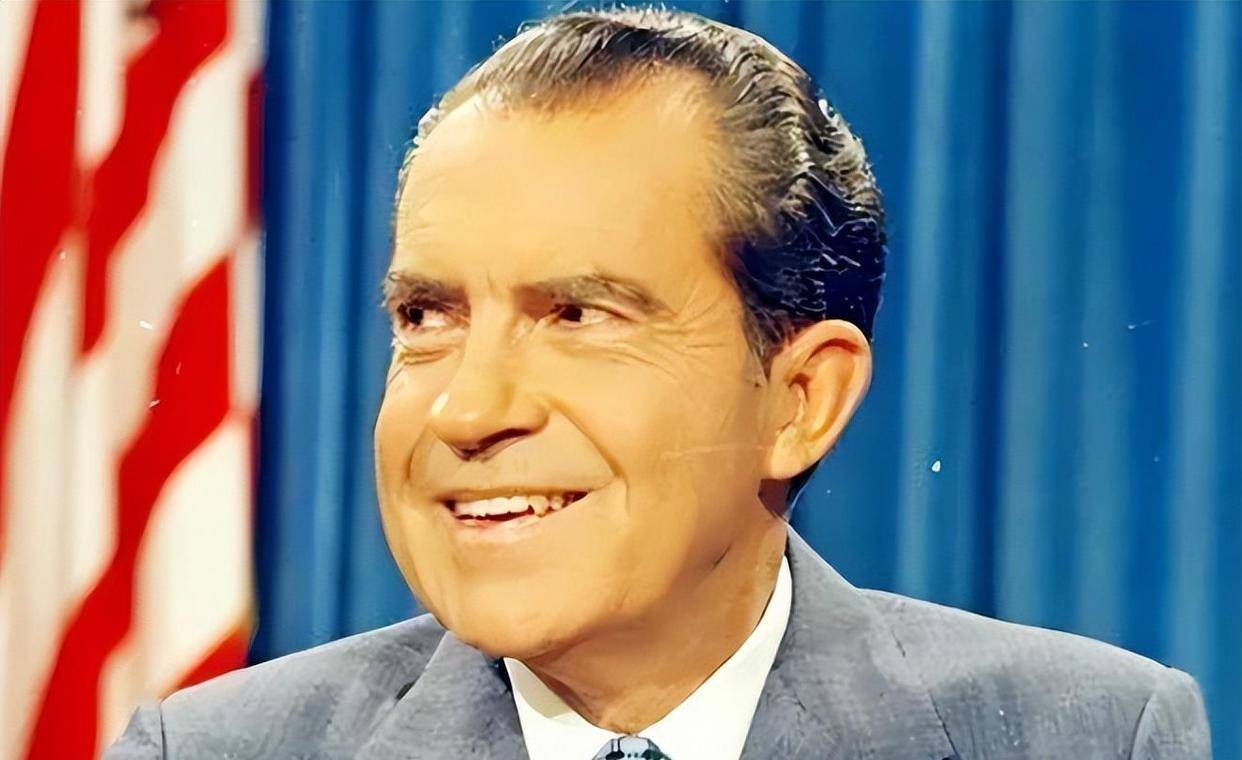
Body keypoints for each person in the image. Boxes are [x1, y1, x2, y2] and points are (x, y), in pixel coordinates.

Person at [107, 7, 1210, 759]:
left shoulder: (1086, 737)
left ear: (802, 398)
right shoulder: (207, 750)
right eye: (427, 318)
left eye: (577, 315)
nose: (469, 409)